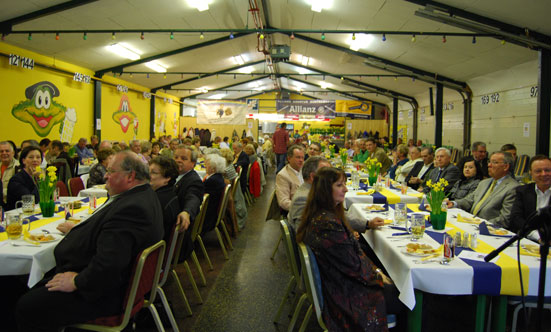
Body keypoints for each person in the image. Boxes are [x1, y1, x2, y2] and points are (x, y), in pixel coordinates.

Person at [16, 151, 163, 332]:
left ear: (130, 176)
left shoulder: (132, 208)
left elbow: (109, 264)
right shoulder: (142, 195)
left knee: (26, 305)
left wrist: (77, 281)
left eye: (110, 171)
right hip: (113, 283)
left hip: (103, 293)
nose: (105, 176)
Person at [296, 167, 401, 332]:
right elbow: (354, 266)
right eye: (339, 185)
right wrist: (378, 274)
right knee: (408, 298)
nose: (345, 189)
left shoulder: (321, 214)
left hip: (338, 282)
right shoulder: (327, 223)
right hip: (346, 295)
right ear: (325, 190)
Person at [449, 151, 519, 229]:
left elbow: (505, 219)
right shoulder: (484, 183)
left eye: (494, 162)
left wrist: (480, 225)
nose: (489, 165)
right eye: (489, 162)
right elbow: (469, 200)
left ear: (505, 167)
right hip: (471, 223)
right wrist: (453, 203)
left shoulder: (513, 188)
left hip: (490, 229)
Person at [509, 155, 551, 237]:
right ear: (531, 173)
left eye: (547, 170)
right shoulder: (523, 191)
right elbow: (516, 218)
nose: (544, 174)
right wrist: (536, 235)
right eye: (538, 171)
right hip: (529, 238)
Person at [149, 156, 180, 244]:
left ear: (167, 178)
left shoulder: (157, 201)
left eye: (153, 173)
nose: (148, 175)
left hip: (156, 251)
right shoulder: (170, 192)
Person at [174, 146, 204, 232]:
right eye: (176, 157)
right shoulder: (172, 175)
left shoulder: (194, 181)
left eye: (183, 158)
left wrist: (187, 212)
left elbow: (194, 197)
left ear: (193, 163)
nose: (178, 160)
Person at [202, 154, 227, 234]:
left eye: (207, 165)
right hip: (212, 213)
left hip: (207, 218)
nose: (205, 166)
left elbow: (200, 193)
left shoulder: (212, 181)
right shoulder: (218, 177)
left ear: (213, 169)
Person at [275, 145, 304, 212]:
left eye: (302, 158)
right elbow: (283, 202)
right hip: (297, 212)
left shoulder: (304, 170)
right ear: (289, 158)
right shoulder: (283, 175)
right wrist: (304, 208)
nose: (301, 160)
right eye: (298, 157)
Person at [1, 141, 20, 206]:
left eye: (7, 151)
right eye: (1, 151)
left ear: (13, 153)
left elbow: (16, 189)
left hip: (11, 205)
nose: (4, 153)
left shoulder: (18, 167)